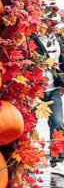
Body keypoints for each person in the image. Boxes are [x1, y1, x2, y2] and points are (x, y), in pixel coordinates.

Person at [33, 31, 64, 168]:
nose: (53, 25)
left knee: (58, 123)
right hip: (36, 90)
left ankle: (57, 155)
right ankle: (28, 156)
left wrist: (62, 83)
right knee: (31, 124)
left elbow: (61, 62)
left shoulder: (58, 39)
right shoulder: (33, 39)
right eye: (50, 21)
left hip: (54, 89)